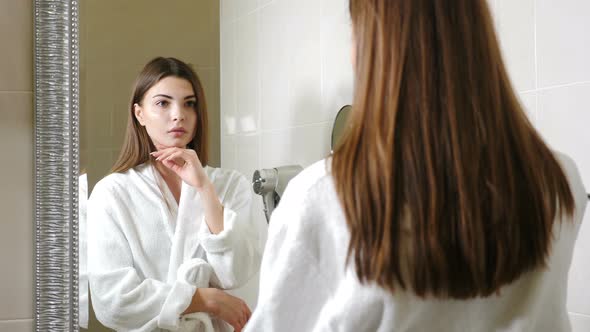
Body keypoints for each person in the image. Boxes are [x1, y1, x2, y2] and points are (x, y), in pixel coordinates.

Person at [245, 0, 587, 331]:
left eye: (354, 32)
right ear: (478, 38)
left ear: (373, 45)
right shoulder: (559, 179)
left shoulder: (323, 197)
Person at [88, 57, 260, 332]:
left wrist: (204, 188)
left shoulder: (229, 185)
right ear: (139, 114)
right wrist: (204, 299)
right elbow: (113, 302)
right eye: (162, 103)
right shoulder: (112, 194)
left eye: (189, 103)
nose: (179, 114)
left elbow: (236, 272)